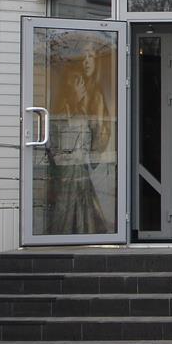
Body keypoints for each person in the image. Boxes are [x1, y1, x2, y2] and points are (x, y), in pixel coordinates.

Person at [48, 41, 112, 234]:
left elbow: (100, 134)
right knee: (71, 204)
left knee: (83, 203)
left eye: (91, 56)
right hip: (71, 169)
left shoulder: (95, 98)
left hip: (82, 167)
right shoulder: (65, 114)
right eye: (83, 57)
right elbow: (59, 144)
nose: (86, 62)